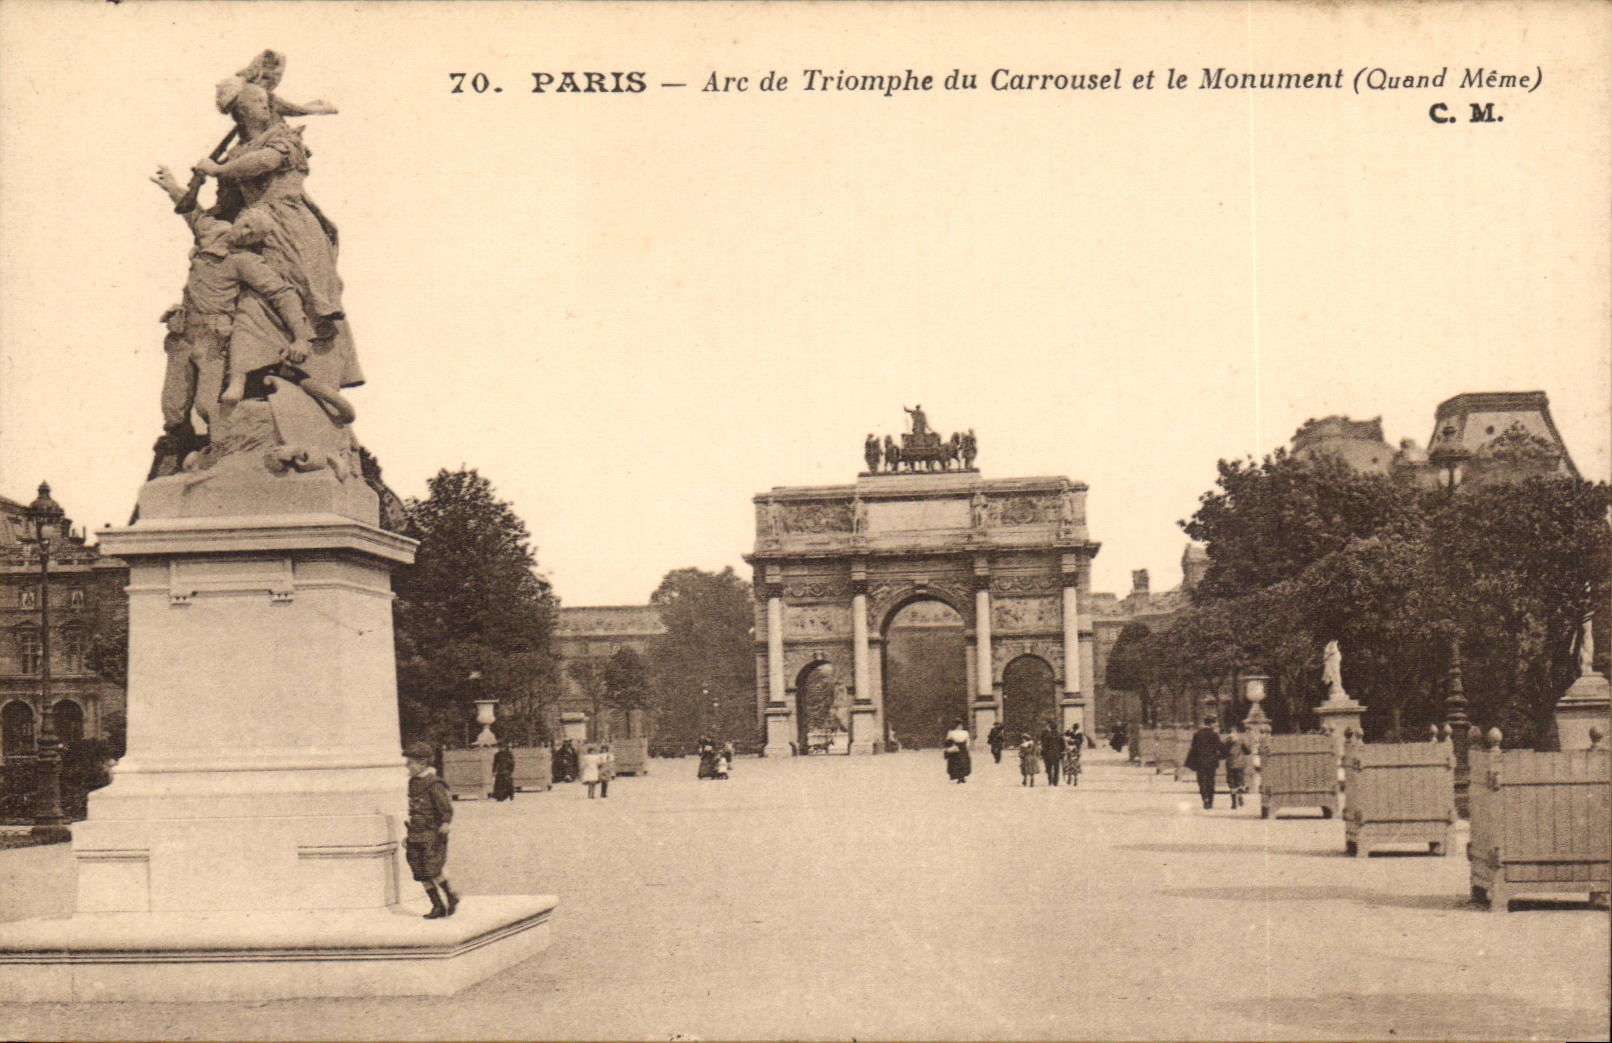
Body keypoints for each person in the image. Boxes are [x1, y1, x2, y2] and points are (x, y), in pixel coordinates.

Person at [196, 74, 362, 395]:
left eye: (264, 100)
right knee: (260, 299)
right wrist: (197, 211)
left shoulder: (282, 138)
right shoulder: (235, 154)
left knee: (307, 294)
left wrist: (217, 170)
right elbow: (227, 205)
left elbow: (263, 163)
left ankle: (315, 370)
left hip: (294, 227)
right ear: (241, 112)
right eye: (256, 101)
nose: (266, 104)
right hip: (255, 230)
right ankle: (264, 372)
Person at [403, 741, 457, 919]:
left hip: (431, 833)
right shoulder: (413, 783)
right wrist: (408, 835)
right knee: (419, 870)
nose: (407, 766)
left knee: (432, 868)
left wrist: (445, 823)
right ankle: (437, 906)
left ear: (423, 763)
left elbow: (445, 808)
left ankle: (451, 896)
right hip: (416, 833)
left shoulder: (434, 784)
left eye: (410, 762)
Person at [1185, 715, 1224, 810]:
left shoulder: (1197, 734)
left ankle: (1205, 798)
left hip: (1200, 762)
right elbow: (1220, 747)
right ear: (1211, 724)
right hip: (1211, 762)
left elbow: (1193, 748)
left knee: (1201, 781)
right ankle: (1210, 801)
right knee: (1210, 781)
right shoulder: (1214, 735)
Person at [1222, 727, 1251, 809]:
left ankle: (1234, 802)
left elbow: (1223, 752)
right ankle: (1240, 795)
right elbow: (1248, 751)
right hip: (1240, 764)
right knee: (1240, 781)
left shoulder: (1226, 741)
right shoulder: (1241, 740)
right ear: (1236, 732)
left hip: (1230, 764)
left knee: (1232, 783)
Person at [943, 719, 972, 783]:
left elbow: (968, 740)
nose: (960, 727)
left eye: (961, 725)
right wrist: (951, 746)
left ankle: (962, 777)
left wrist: (967, 746)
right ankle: (959, 777)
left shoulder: (965, 732)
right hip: (955, 749)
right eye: (959, 725)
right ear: (956, 726)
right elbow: (948, 741)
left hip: (963, 748)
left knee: (964, 762)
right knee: (956, 763)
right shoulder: (951, 732)